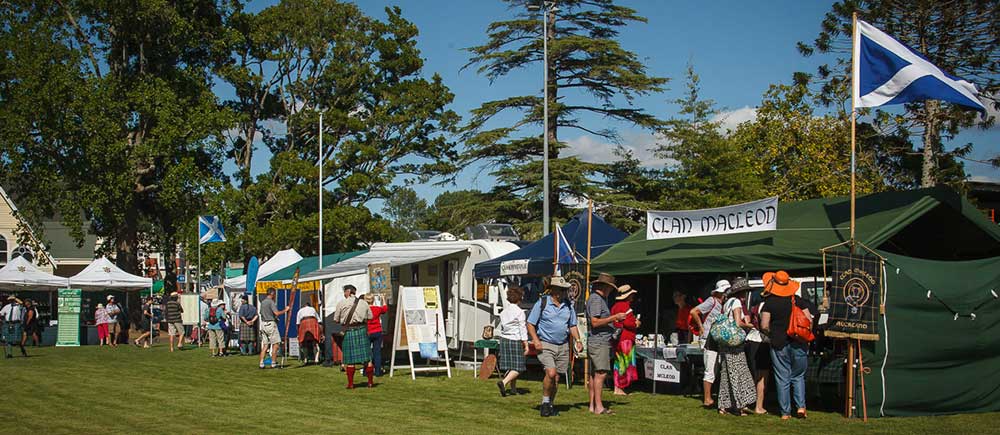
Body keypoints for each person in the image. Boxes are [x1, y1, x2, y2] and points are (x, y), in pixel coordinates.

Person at [526, 276, 583, 418]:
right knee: (550, 373)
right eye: (563, 290)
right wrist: (535, 340)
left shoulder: (569, 306)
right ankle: (545, 402)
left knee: (557, 377)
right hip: (545, 343)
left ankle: (550, 404)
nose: (565, 292)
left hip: (562, 345)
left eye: (565, 290)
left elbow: (572, 325)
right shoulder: (542, 303)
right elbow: (530, 323)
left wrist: (578, 340)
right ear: (555, 291)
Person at [760, 271, 812, 420]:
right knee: (798, 376)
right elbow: (809, 320)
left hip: (778, 343)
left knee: (782, 377)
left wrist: (772, 332)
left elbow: (764, 325)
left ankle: (785, 412)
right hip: (799, 342)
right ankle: (801, 407)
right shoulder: (798, 300)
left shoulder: (769, 303)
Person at [587, 273, 625, 415]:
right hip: (599, 341)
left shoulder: (597, 298)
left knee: (594, 374)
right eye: (610, 288)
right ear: (605, 287)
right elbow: (595, 322)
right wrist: (615, 317)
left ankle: (593, 406)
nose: (611, 291)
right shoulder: (597, 300)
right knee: (601, 373)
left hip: (597, 340)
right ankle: (599, 407)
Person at [717, 278, 757, 416]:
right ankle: (739, 406)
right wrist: (750, 326)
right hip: (734, 343)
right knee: (738, 373)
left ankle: (723, 405)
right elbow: (738, 323)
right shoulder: (737, 303)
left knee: (726, 374)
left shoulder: (726, 302)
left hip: (725, 343)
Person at [690, 280, 728, 408]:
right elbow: (694, 311)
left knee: (716, 367)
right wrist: (701, 327)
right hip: (708, 338)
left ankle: (712, 396)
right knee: (710, 368)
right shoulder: (711, 301)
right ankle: (707, 398)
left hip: (717, 338)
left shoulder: (723, 304)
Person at [333, 285, 374, 389]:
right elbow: (370, 317)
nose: (344, 294)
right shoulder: (364, 303)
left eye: (344, 292)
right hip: (362, 330)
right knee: (367, 359)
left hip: (349, 331)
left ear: (348, 292)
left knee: (350, 360)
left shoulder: (341, 303)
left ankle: (351, 384)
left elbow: (336, 320)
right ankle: (370, 382)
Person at [743, 280, 771, 415]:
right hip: (762, 341)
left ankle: (750, 402)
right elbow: (765, 327)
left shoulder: (756, 306)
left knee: (754, 373)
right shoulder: (766, 307)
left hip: (752, 340)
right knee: (762, 375)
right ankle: (759, 406)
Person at [496, 285, 529, 397]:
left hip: (504, 339)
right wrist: (526, 344)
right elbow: (522, 328)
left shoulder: (504, 312)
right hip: (515, 339)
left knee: (512, 366)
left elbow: (502, 327)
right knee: (519, 367)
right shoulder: (520, 312)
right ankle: (503, 382)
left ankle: (513, 389)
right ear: (519, 298)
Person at [611, 285, 640, 396]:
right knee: (624, 363)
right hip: (625, 339)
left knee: (618, 363)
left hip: (617, 339)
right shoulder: (625, 307)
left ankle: (616, 387)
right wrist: (636, 323)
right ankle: (620, 388)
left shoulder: (614, 307)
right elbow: (628, 323)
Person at [258, 289, 291, 369]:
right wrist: (285, 310)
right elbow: (276, 313)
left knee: (265, 345)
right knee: (275, 344)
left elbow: (262, 313)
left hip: (263, 324)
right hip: (270, 324)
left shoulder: (263, 302)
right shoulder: (271, 302)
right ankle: (273, 363)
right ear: (272, 294)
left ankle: (261, 363)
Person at [364, 293, 389, 376]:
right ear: (373, 300)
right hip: (377, 331)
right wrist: (383, 299)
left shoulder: (364, 310)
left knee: (366, 352)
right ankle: (377, 371)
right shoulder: (377, 309)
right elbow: (385, 309)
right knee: (377, 352)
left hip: (367, 331)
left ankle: (366, 371)